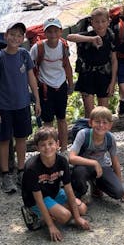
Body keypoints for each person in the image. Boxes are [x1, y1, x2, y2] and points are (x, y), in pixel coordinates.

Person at [0, 21, 41, 193]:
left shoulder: (24, 55)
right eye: (12, 34)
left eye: (19, 35)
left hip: (22, 104)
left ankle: (21, 170)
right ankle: (6, 174)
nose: (15, 38)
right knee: (4, 139)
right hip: (3, 106)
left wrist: (37, 100)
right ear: (6, 36)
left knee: (21, 138)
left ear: (22, 38)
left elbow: (31, 78)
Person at [20, 127, 91, 241]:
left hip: (54, 192)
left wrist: (77, 217)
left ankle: (54, 212)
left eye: (50, 143)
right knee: (65, 216)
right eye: (43, 145)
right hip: (36, 199)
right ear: (37, 148)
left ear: (57, 144)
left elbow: (68, 189)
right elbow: (38, 199)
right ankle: (35, 215)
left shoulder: (62, 161)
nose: (47, 147)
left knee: (82, 209)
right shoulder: (32, 167)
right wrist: (51, 226)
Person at [68, 106, 124, 204]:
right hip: (83, 166)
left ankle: (96, 183)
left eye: (105, 122)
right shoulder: (83, 134)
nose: (101, 125)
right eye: (97, 122)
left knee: (118, 192)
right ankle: (81, 192)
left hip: (102, 166)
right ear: (90, 123)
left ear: (110, 125)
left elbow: (115, 163)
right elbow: (71, 158)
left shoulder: (110, 139)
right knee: (79, 173)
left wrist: (122, 188)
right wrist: (94, 163)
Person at [29, 18, 74, 153]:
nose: (53, 34)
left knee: (61, 118)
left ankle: (64, 148)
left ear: (60, 32)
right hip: (45, 87)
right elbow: (30, 69)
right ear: (45, 33)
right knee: (48, 121)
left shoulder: (63, 45)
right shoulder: (38, 48)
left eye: (56, 31)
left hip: (61, 85)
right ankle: (50, 150)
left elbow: (67, 65)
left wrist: (70, 83)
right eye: (49, 31)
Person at [67, 7, 118, 118]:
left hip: (104, 74)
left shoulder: (111, 36)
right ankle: (89, 128)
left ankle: (102, 129)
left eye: (103, 21)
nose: (100, 24)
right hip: (87, 75)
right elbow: (69, 37)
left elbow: (114, 60)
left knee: (103, 111)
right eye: (97, 22)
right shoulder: (88, 35)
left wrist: (113, 82)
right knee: (89, 112)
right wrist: (91, 39)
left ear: (108, 22)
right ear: (92, 22)